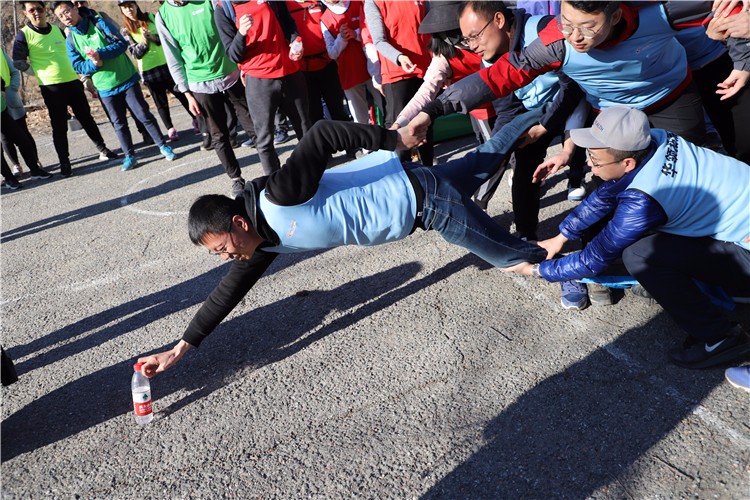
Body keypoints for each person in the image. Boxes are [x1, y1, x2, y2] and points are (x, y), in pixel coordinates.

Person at [136, 115, 547, 377]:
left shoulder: (280, 197)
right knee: (488, 156)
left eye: (222, 248)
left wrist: (393, 138)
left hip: (428, 205)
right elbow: (224, 295)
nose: (226, 258)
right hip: (420, 186)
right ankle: (550, 104)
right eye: (217, 256)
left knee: (515, 259)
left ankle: (577, 267)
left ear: (238, 223)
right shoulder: (258, 245)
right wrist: (179, 350)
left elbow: (322, 134)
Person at [502, 106, 750, 370]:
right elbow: (605, 195)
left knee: (640, 254)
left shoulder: (644, 199)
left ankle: (720, 338)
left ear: (627, 163)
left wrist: (537, 270)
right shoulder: (655, 138)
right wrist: (561, 237)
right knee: (652, 234)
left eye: (595, 161)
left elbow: (593, 258)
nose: (588, 164)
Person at [53, 1, 176, 172]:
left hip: (126, 78)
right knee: (119, 123)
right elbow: (78, 66)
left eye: (67, 11)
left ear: (75, 8)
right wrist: (94, 64)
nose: (65, 17)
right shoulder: (71, 39)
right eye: (60, 16)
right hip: (105, 87)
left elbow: (121, 43)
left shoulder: (98, 21)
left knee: (143, 114)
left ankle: (163, 146)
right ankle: (129, 155)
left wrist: (100, 53)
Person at [156, 0, 257, 198]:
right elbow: (173, 57)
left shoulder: (208, 1)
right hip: (199, 82)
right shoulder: (163, 16)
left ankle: (272, 167)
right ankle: (236, 178)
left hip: (231, 71)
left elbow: (230, 27)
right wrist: (186, 93)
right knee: (218, 134)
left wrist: (243, 64)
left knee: (252, 121)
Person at [12, 0, 117, 177]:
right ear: (25, 14)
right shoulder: (24, 35)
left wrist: (83, 77)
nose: (36, 12)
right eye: (31, 10)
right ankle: (64, 162)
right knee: (59, 126)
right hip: (51, 87)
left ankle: (103, 149)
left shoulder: (56, 29)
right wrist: (38, 73)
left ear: (45, 10)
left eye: (39, 8)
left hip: (72, 82)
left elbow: (72, 53)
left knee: (86, 118)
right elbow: (18, 62)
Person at [214, 0, 312, 177]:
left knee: (305, 130)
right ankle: (275, 184)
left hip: (290, 72)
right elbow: (233, 54)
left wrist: (295, 41)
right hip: (259, 81)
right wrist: (242, 33)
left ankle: (313, 174)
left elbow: (289, 24)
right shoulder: (223, 9)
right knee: (265, 139)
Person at [365, 0, 434, 165]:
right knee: (399, 133)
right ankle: (401, 176)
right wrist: (399, 57)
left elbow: (431, 30)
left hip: (424, 70)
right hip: (396, 75)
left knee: (426, 126)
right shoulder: (373, 2)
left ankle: (430, 173)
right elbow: (378, 41)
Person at [118, 0, 197, 143]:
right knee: (160, 102)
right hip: (149, 70)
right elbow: (135, 53)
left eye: (130, 6)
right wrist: (144, 42)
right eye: (125, 8)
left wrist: (152, 37)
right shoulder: (125, 30)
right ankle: (170, 128)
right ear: (122, 11)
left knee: (181, 94)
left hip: (166, 64)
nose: (129, 10)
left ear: (136, 6)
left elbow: (166, 38)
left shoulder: (151, 17)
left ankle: (196, 120)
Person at [286, 0, 351, 125]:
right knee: (314, 115)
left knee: (338, 110)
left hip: (328, 64)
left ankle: (347, 143)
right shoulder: (285, 5)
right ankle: (324, 143)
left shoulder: (320, 2)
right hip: (302, 69)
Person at [1, 47, 53, 186]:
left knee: (21, 137)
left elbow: (8, 74)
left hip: (3, 106)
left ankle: (35, 169)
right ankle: (9, 178)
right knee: (4, 140)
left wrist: (5, 89)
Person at [320, 0, 374, 126]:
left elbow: (376, 32)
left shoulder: (359, 4)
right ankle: (366, 144)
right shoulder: (325, 19)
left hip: (373, 66)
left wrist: (355, 34)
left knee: (385, 106)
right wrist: (342, 38)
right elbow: (332, 53)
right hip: (349, 72)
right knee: (359, 117)